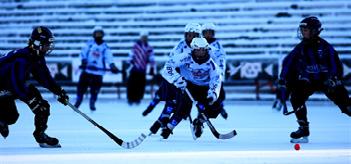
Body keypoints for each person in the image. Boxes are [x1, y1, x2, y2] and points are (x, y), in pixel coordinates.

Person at [275, 16, 351, 143]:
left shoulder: (325, 47)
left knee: (347, 107)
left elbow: (335, 64)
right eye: (302, 29)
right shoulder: (300, 48)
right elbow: (288, 63)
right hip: (309, 81)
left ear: (315, 31)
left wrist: (334, 78)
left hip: (327, 81)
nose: (303, 32)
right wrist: (283, 79)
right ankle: (303, 128)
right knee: (296, 97)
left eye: (306, 30)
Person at [0, 26, 69, 148]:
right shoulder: (21, 59)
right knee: (11, 117)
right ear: (37, 43)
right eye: (46, 44)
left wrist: (59, 91)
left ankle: (40, 135)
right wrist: (30, 99)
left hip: (14, 85)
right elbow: (16, 83)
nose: (49, 47)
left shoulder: (37, 56)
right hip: (3, 86)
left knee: (42, 107)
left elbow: (44, 77)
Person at [160, 38, 223, 139]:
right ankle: (169, 127)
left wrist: (212, 95)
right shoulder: (185, 57)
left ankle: (199, 122)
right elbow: (168, 66)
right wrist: (177, 79)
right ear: (193, 49)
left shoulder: (211, 64)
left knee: (215, 107)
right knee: (184, 106)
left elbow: (216, 80)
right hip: (188, 85)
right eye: (198, 50)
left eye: (203, 50)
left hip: (204, 88)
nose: (201, 52)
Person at [146, 23, 202, 135]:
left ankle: (165, 123)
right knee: (174, 102)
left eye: (194, 35)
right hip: (175, 78)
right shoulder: (180, 46)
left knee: (184, 106)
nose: (191, 38)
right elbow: (171, 64)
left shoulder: (201, 46)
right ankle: (160, 123)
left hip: (191, 80)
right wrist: (177, 78)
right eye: (189, 35)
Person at [74, 26, 119, 111]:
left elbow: (109, 57)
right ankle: (78, 100)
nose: (98, 35)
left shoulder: (105, 47)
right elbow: (83, 54)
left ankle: (92, 102)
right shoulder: (89, 44)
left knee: (95, 90)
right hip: (87, 70)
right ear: (94, 34)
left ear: (102, 35)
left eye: (100, 33)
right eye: (97, 33)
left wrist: (112, 66)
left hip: (98, 72)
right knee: (81, 87)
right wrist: (83, 61)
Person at [201, 22, 228, 119]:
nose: (208, 35)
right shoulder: (199, 43)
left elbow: (221, 59)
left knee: (219, 93)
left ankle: (220, 107)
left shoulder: (217, 45)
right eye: (206, 32)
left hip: (213, 73)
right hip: (202, 74)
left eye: (210, 32)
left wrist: (220, 74)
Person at [126, 30, 155, 105]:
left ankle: (138, 98)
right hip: (134, 68)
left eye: (145, 37)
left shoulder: (149, 47)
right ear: (140, 37)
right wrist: (129, 61)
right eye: (143, 37)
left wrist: (152, 67)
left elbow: (152, 57)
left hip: (142, 69)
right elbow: (131, 54)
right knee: (132, 84)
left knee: (141, 85)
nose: (144, 38)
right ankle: (130, 98)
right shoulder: (135, 46)